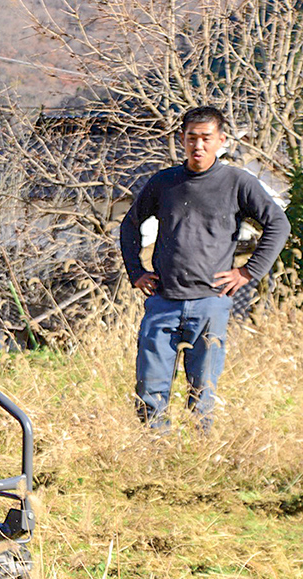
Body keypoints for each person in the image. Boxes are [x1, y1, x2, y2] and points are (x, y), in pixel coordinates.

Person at [120, 106, 289, 427]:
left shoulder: (238, 182)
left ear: (221, 140)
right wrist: (136, 272)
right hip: (163, 300)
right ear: (182, 139)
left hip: (211, 302)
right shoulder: (165, 182)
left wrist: (248, 271)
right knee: (150, 389)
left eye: (206, 138)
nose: (198, 145)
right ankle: (152, 451)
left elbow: (278, 224)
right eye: (192, 138)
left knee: (203, 393)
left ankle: (200, 451)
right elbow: (130, 225)